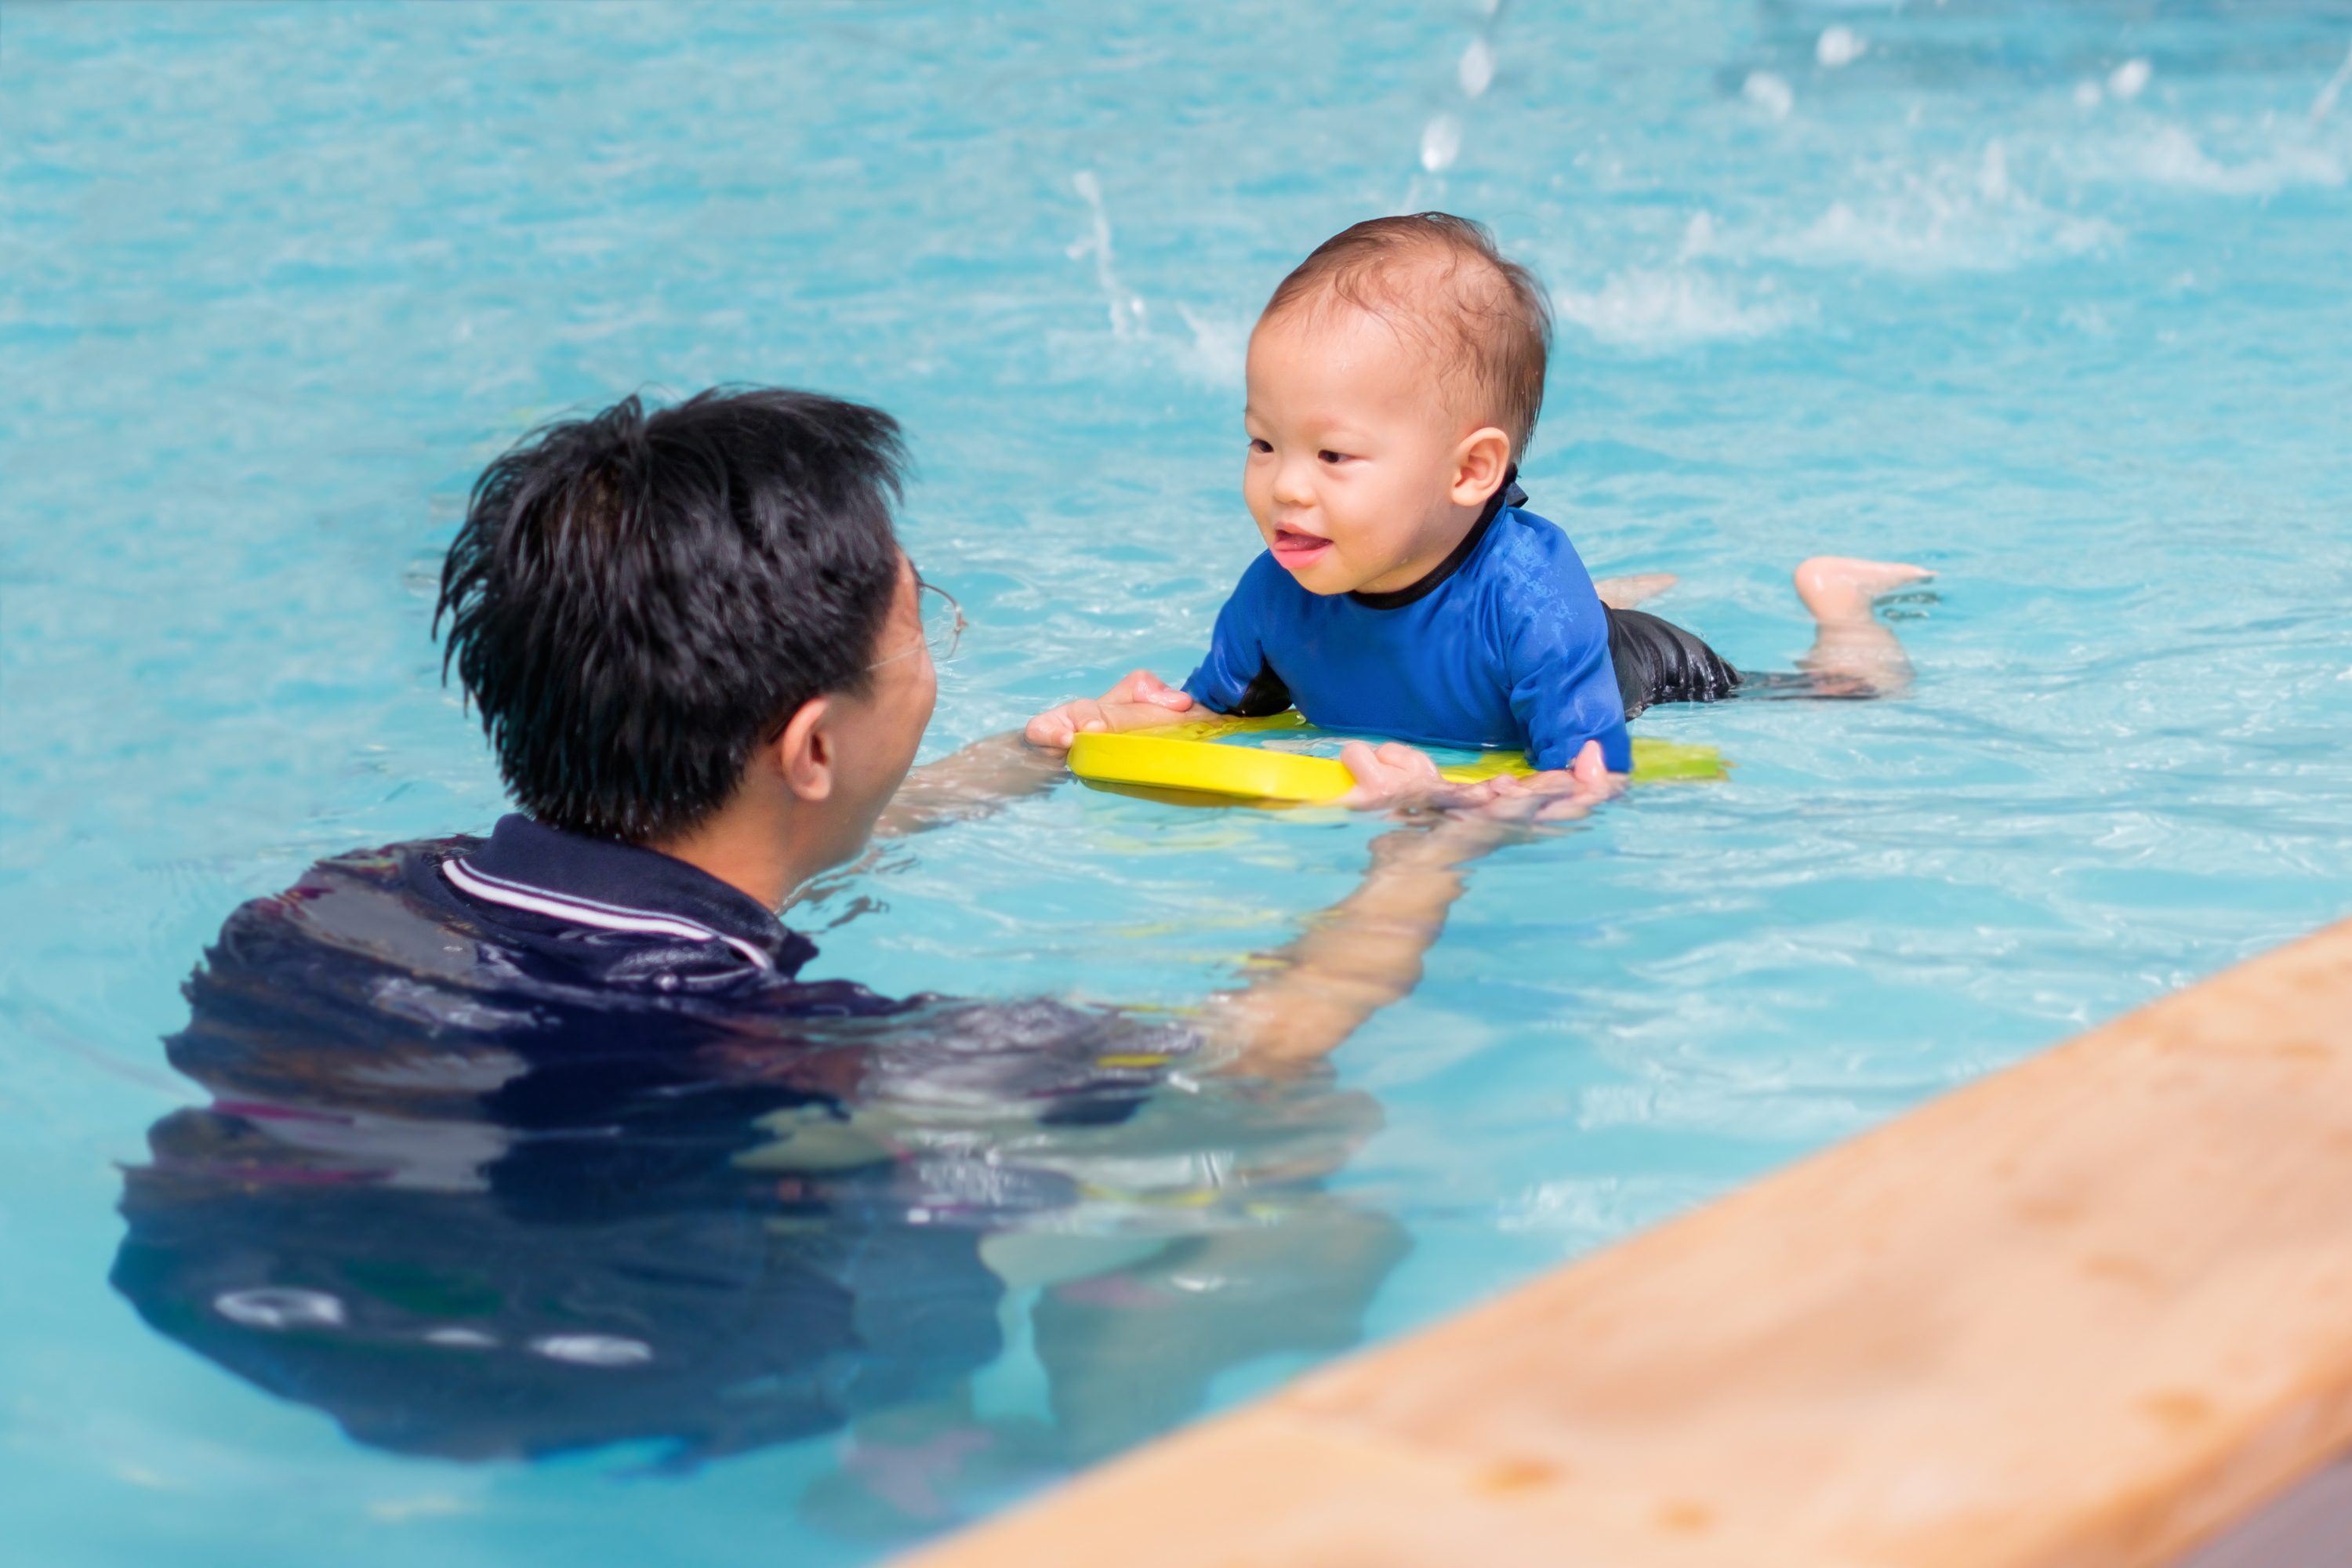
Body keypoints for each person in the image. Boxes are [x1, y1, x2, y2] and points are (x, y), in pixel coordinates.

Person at [112, 387, 1590, 1496]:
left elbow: (716, 876)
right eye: (920, 625)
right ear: (814, 745)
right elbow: (1267, 1041)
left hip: (248, 1306)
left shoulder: (329, 907)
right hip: (661, 1396)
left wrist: (1022, 759)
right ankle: (1000, 1447)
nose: (932, 653)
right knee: (1299, 1155)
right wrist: (1425, 852)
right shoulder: (844, 1061)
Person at [1025, 213, 1933, 799]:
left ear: (1471, 472)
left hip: (1648, 669)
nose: (1285, 486)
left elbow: (1590, 779)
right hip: (1507, 618)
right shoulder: (1278, 588)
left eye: (1333, 455)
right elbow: (1221, 715)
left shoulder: (1532, 601)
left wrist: (1464, 801)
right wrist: (1112, 715)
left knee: (1846, 697)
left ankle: (1839, 600)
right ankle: (1594, 598)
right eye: (1264, 443)